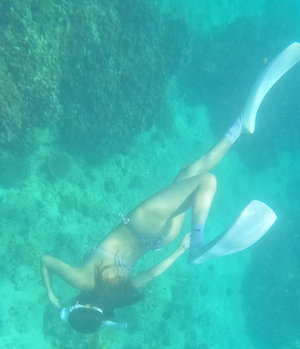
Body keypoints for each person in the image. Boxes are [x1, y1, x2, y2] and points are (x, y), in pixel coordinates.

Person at [41, 119, 245, 333]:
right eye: (71, 306)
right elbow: (44, 261)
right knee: (206, 181)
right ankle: (198, 241)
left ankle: (237, 129)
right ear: (81, 305)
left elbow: (151, 273)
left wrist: (179, 250)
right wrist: (52, 296)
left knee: (188, 173)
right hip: (144, 223)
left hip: (161, 239)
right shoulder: (80, 279)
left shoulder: (117, 296)